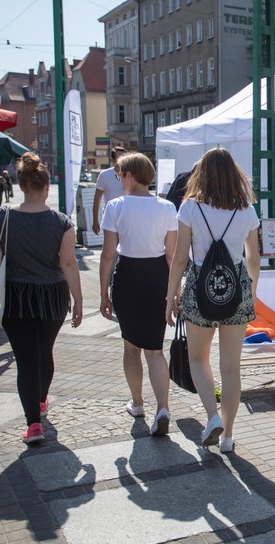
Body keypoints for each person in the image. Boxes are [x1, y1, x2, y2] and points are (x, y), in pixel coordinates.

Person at [0, 152, 83, 444]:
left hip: (16, 295)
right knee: (44, 351)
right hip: (53, 295)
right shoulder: (61, 222)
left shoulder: (2, 216)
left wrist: (7, 267)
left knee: (26, 359)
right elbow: (68, 263)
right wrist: (79, 300)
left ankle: (33, 424)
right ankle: (40, 401)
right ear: (46, 186)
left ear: (21, 185)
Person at [164, 147, 261, 452]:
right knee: (231, 367)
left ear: (201, 174)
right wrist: (251, 292)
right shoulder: (246, 209)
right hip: (236, 290)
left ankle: (212, 416)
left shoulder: (190, 208)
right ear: (235, 173)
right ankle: (229, 436)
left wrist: (171, 296)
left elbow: (179, 259)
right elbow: (254, 259)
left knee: (197, 358)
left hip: (198, 289)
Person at [99, 153, 177, 436]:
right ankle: (163, 407)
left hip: (128, 277)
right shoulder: (167, 207)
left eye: (119, 176)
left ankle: (137, 402)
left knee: (131, 347)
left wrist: (103, 293)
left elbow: (108, 255)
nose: (119, 180)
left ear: (129, 175)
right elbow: (172, 256)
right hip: (158, 277)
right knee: (155, 350)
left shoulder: (116, 206)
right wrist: (174, 291)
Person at [92, 146, 128, 235]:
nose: (123, 159)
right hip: (110, 217)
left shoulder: (132, 174)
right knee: (111, 246)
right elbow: (97, 199)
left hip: (128, 217)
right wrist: (95, 221)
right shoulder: (104, 175)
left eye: (125, 156)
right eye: (119, 156)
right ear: (113, 159)